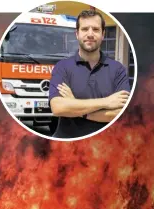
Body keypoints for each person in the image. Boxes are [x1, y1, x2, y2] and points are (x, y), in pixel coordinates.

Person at [49, 9, 131, 139]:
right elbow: (58, 107)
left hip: (106, 147)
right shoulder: (62, 67)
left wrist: (76, 106)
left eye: (96, 29)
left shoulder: (117, 69)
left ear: (103, 34)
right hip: (66, 145)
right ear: (77, 34)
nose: (90, 34)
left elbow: (120, 113)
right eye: (85, 29)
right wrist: (106, 102)